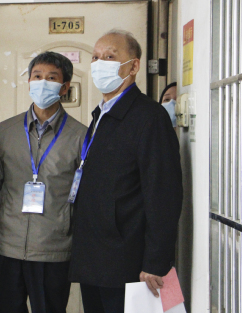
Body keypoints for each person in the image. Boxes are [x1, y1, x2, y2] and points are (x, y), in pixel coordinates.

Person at [68, 30, 183, 313]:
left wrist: (156, 261)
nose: (100, 63)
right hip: (95, 257)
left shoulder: (149, 117)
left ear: (133, 66)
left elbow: (163, 193)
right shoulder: (102, 113)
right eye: (95, 57)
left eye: (110, 56)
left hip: (127, 261)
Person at [0, 52, 87, 313]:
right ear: (29, 82)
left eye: (52, 78)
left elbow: (84, 196)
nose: (43, 82)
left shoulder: (80, 136)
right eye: (37, 76)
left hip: (53, 249)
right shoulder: (7, 130)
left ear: (64, 87)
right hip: (6, 245)